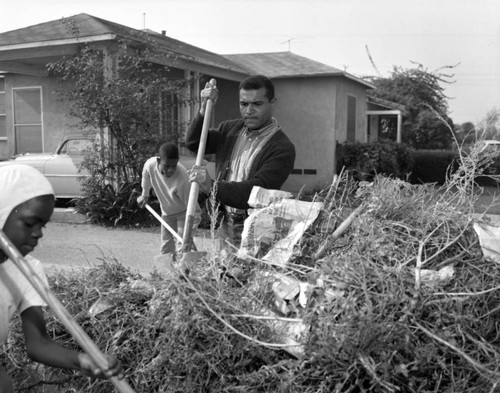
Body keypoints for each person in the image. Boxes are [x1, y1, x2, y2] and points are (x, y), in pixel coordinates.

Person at [0, 164, 123, 392]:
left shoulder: (29, 270)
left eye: (42, 225)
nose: (38, 233)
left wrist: (82, 360)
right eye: (29, 223)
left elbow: (37, 344)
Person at [186, 75, 296, 245]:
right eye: (244, 104)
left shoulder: (282, 148)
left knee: (246, 271)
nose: (249, 110)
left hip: (255, 228)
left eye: (257, 104)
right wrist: (202, 109)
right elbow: (194, 142)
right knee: (222, 270)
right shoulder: (230, 129)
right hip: (224, 223)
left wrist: (212, 186)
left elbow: (257, 191)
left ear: (273, 102)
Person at [137, 142, 201, 257]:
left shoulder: (183, 179)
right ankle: (166, 273)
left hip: (184, 215)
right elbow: (146, 173)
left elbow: (195, 210)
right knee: (166, 249)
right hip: (167, 214)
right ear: (158, 161)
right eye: (167, 166)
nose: (170, 170)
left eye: (174, 166)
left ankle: (184, 273)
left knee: (183, 249)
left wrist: (189, 233)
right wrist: (145, 194)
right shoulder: (150, 165)